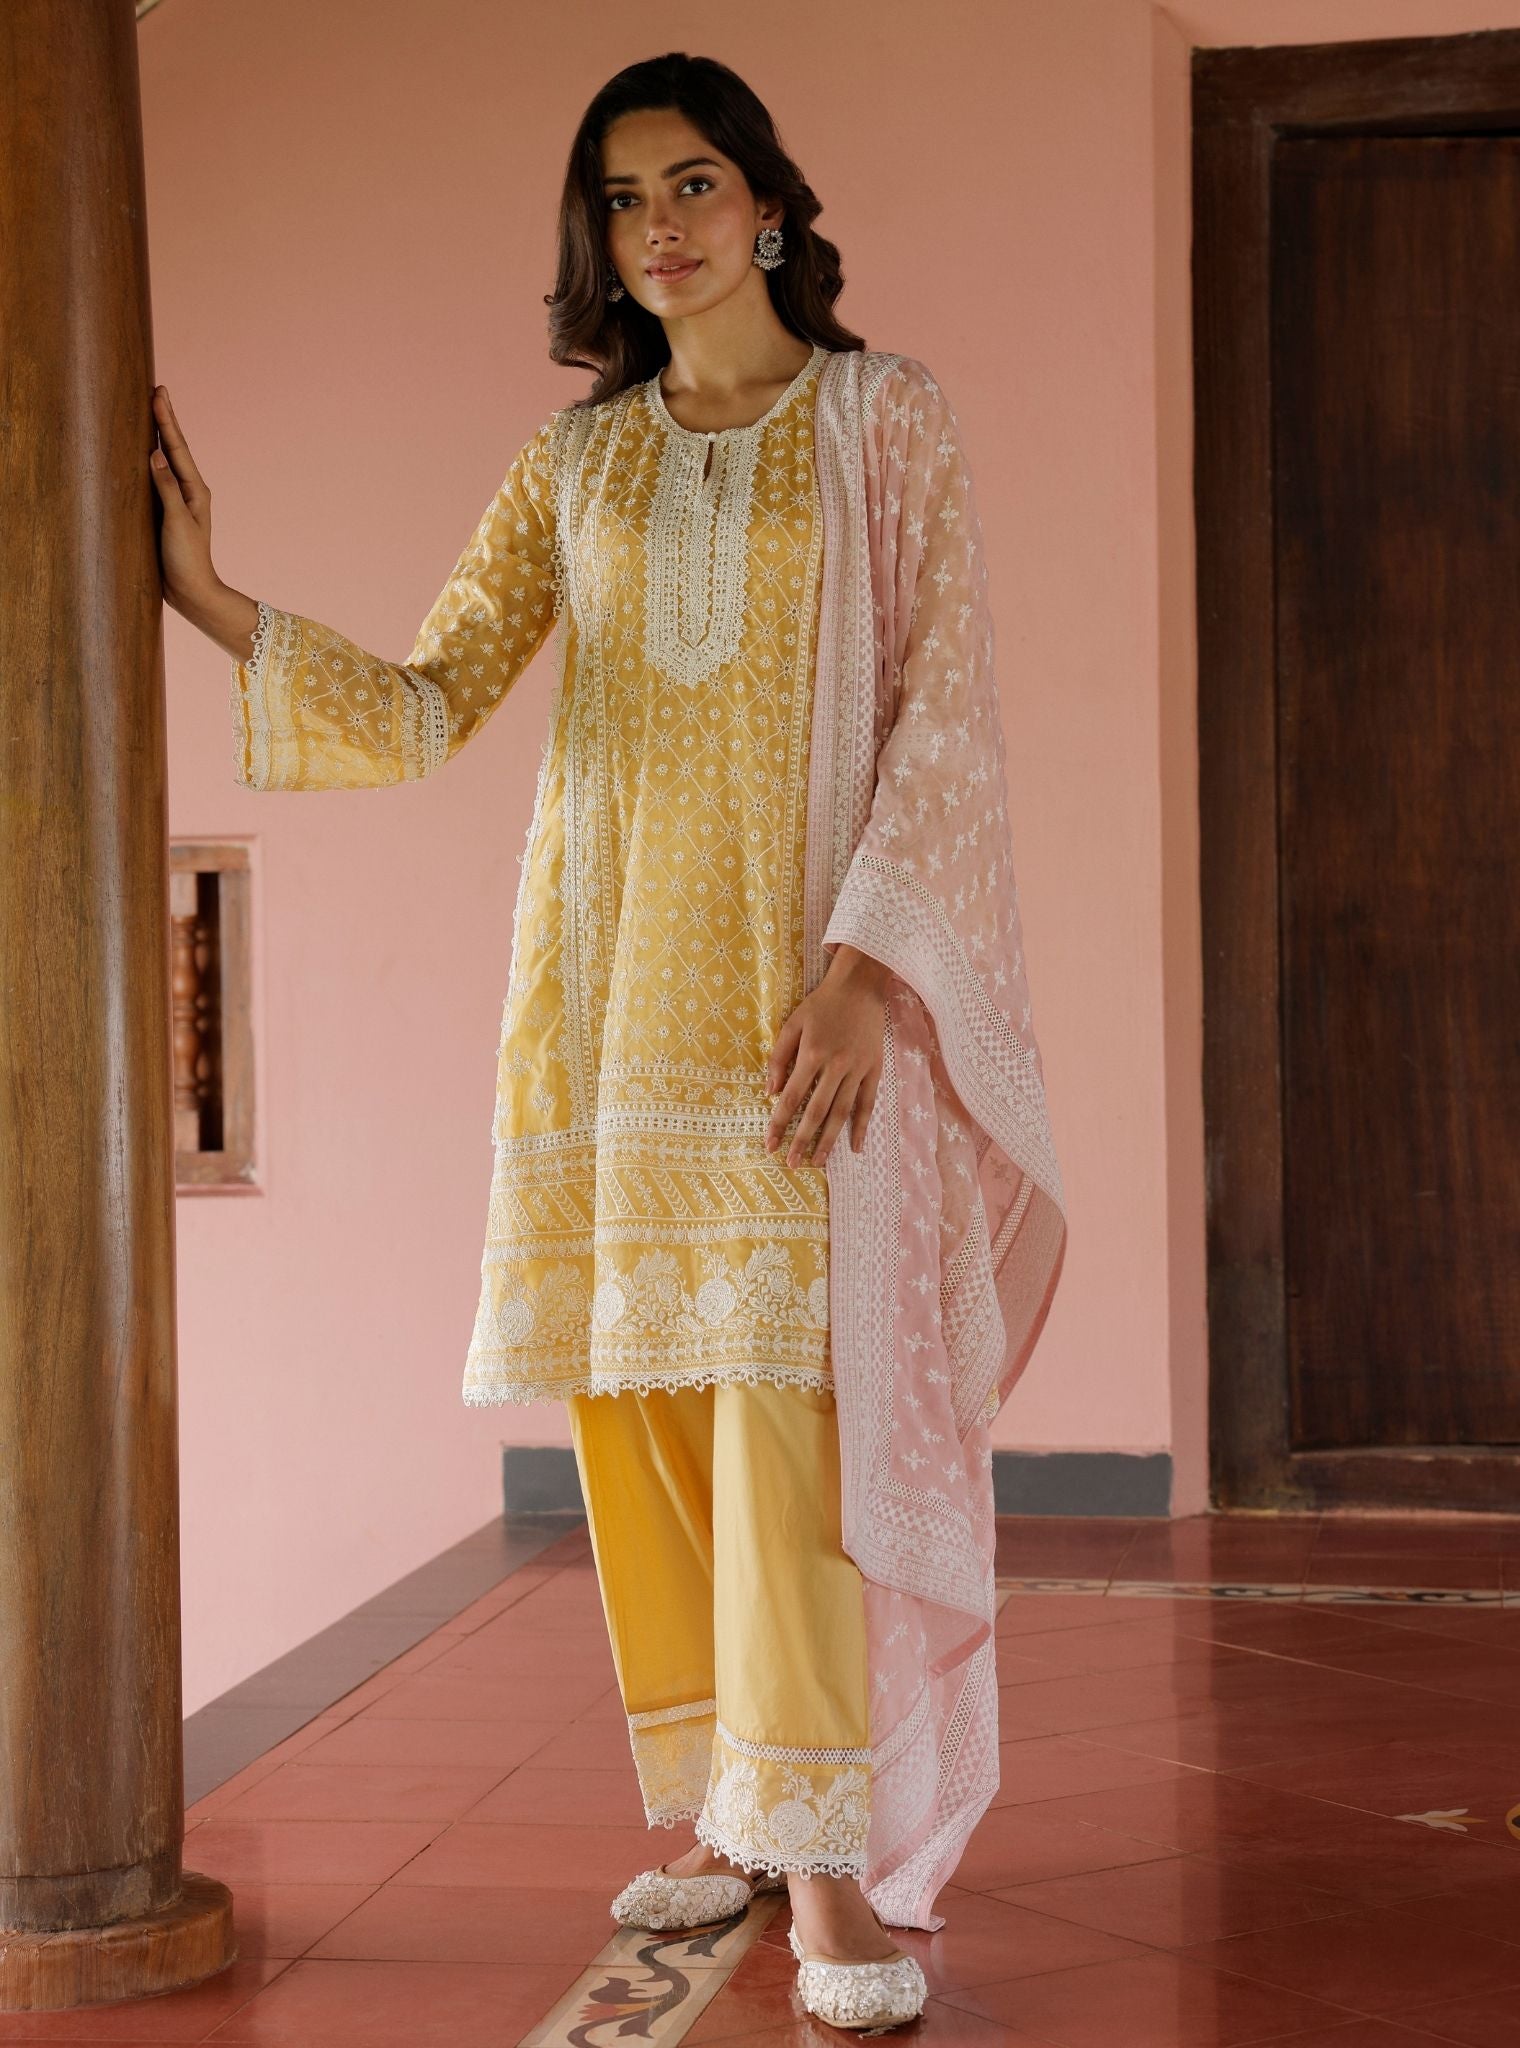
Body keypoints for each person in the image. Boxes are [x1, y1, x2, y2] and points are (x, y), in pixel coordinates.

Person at [150, 50, 1066, 2035]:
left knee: (789, 1433)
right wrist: (212, 598)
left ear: (770, 205)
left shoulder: (884, 419)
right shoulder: (576, 466)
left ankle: (828, 1874)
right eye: (625, 198)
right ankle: (734, 1814)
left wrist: (863, 969)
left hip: (800, 1015)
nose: (661, 226)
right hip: (606, 1005)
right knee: (646, 1428)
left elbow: (946, 702)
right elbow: (428, 701)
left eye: (694, 182)